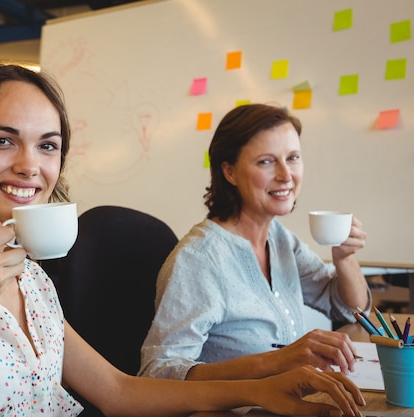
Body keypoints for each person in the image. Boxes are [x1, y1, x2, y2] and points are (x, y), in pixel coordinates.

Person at [0, 66, 365, 417]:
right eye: (3, 140)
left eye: (47, 146)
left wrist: (260, 391)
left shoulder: (31, 277)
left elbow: (118, 390)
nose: (31, 165)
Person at [140, 103, 371, 383]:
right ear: (230, 172)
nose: (286, 175)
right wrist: (276, 362)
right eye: (266, 161)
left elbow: (350, 309)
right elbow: (159, 373)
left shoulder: (280, 238)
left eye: (293, 158)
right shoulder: (198, 260)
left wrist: (344, 258)